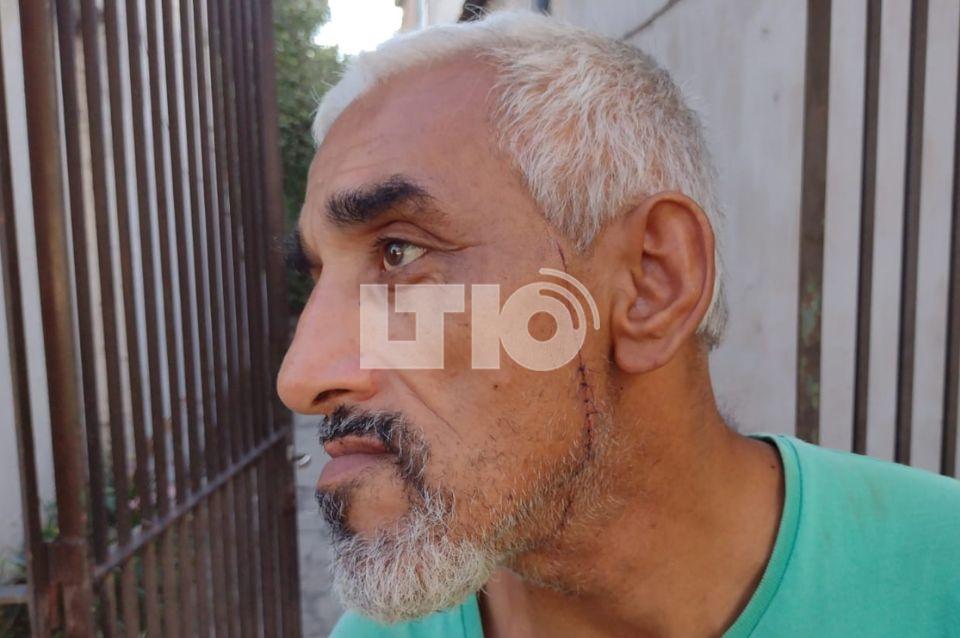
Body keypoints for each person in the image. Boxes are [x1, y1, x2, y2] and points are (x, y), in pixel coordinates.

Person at [277, 10, 960, 637]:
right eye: (318, 278)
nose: (300, 377)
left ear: (651, 283)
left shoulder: (939, 581)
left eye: (399, 253)